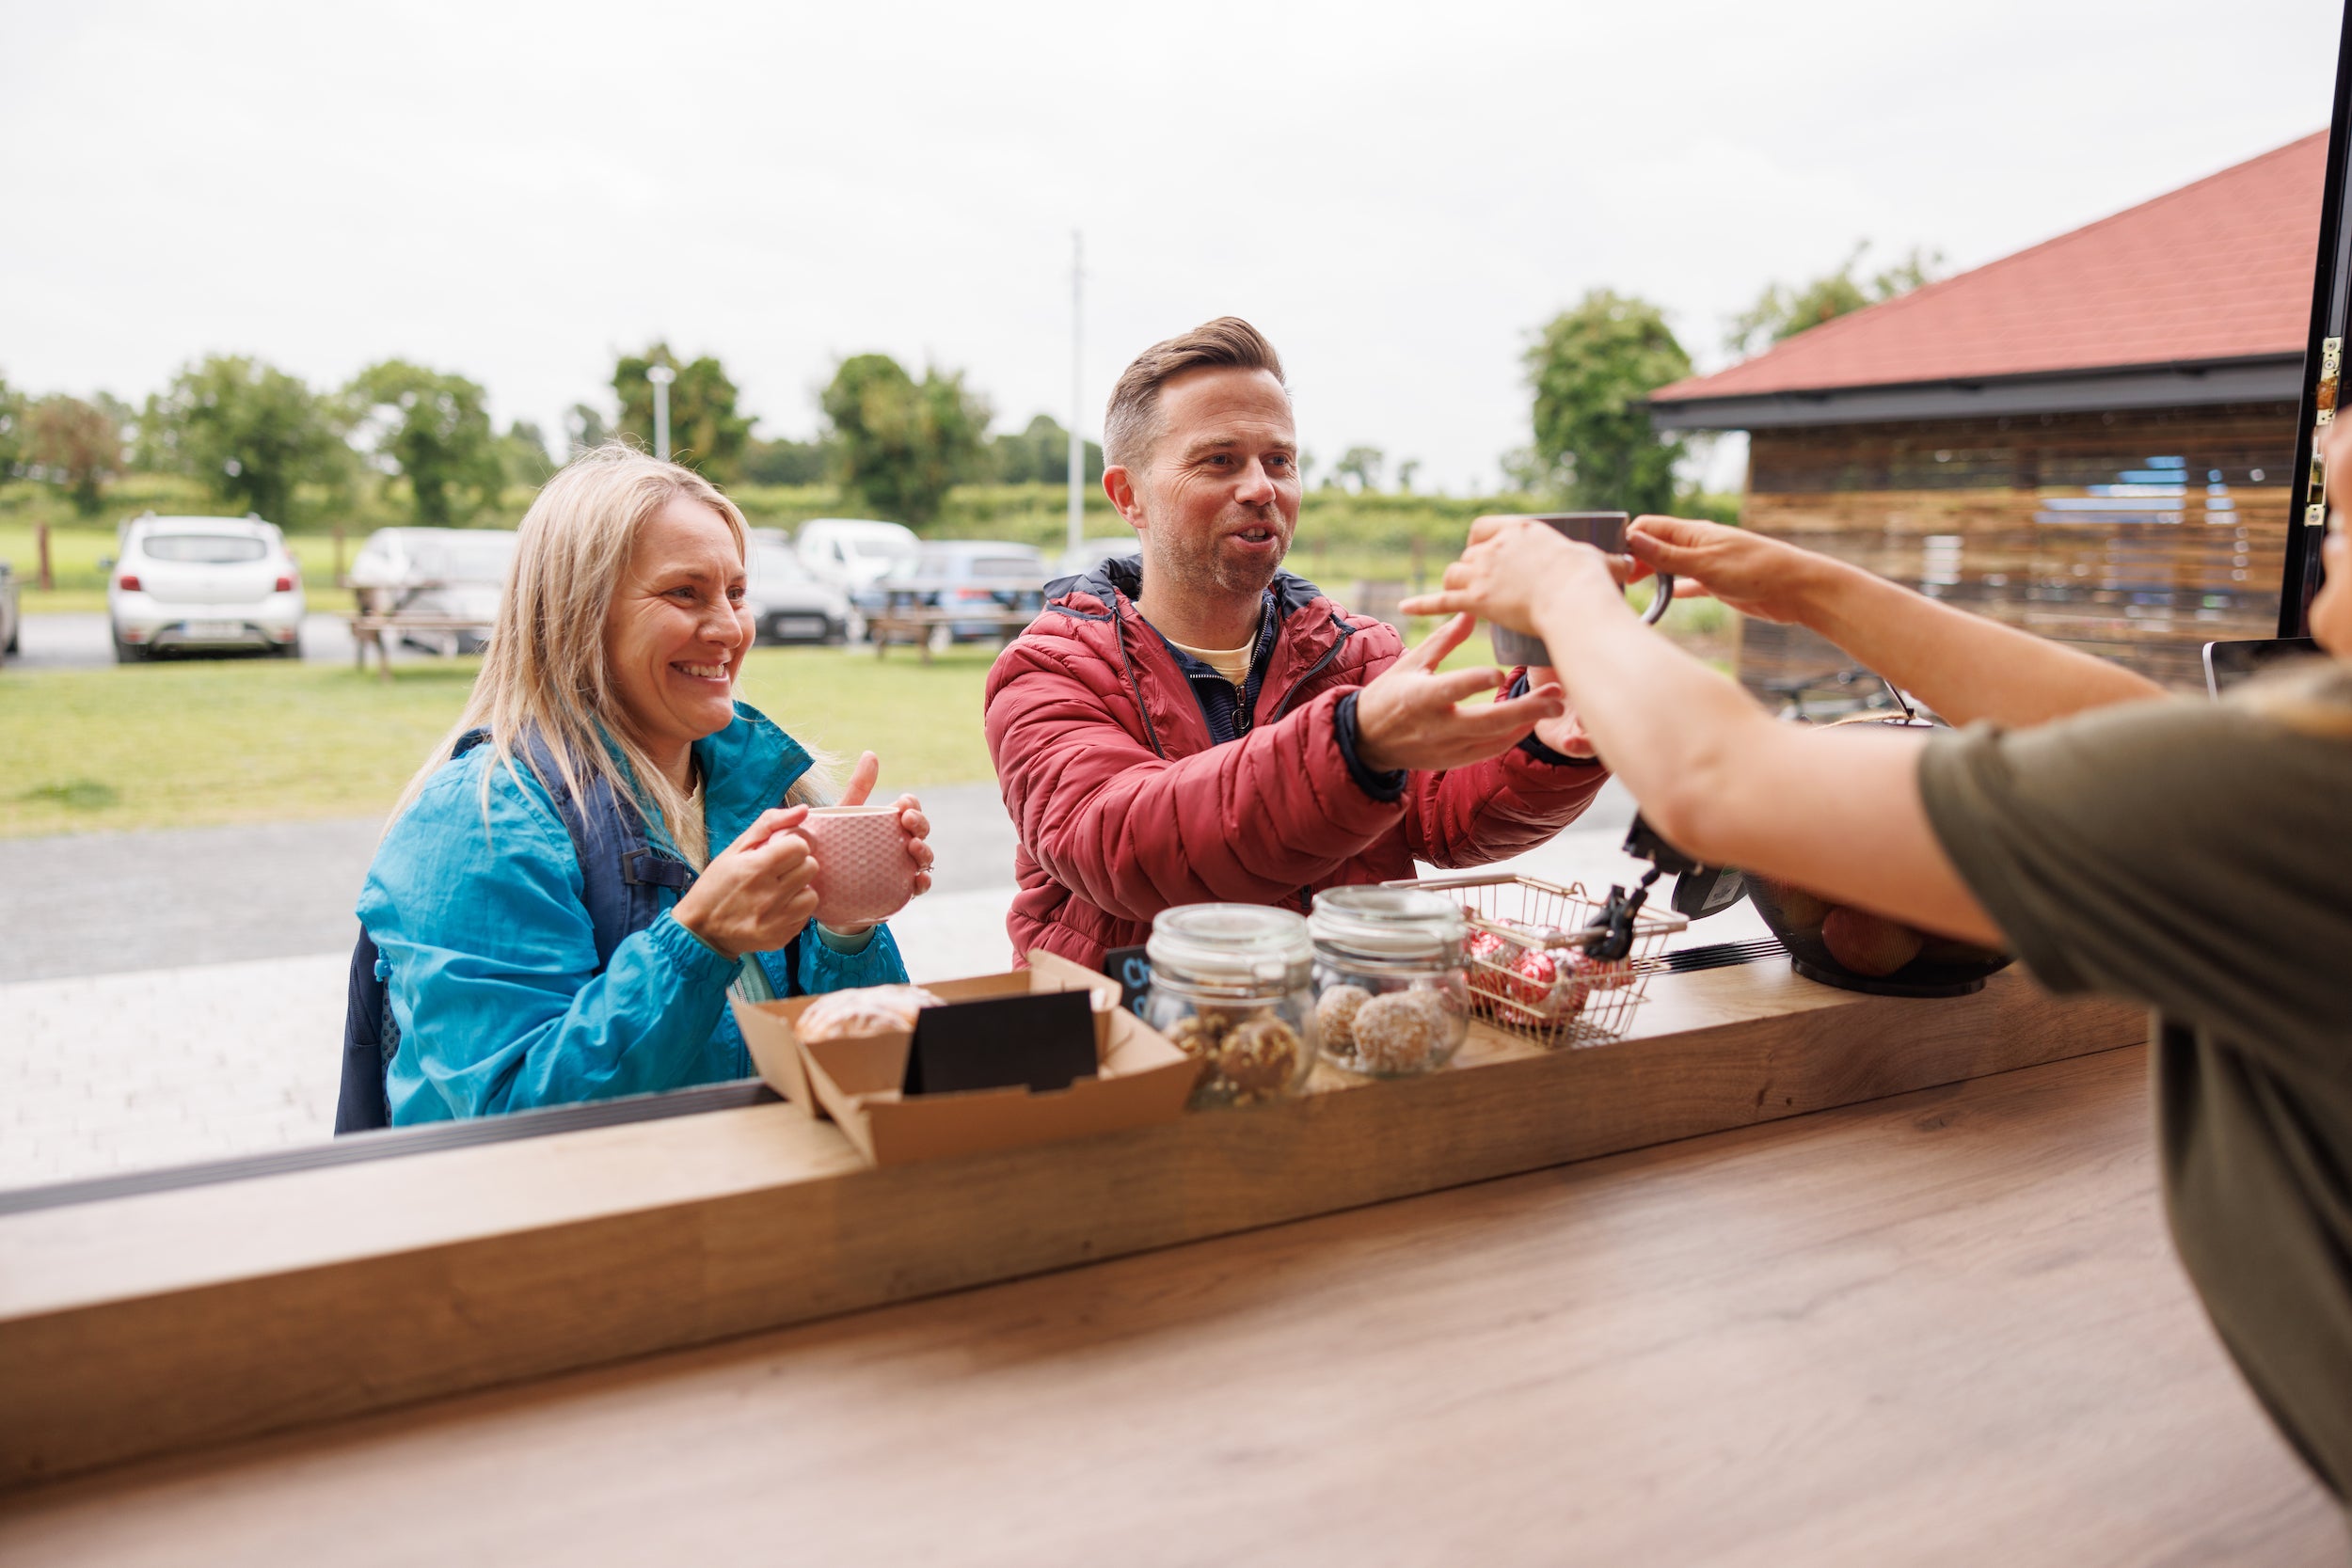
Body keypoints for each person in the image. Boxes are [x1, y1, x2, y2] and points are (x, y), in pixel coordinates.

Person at [1402, 431, 2352, 1505]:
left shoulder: (2312, 790)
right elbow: (2133, 733)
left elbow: (1719, 782)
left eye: (2349, 521)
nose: (2322, 560)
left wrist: (1571, 600)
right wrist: (1807, 587)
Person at [984, 317, 1611, 973]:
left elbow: (1447, 812)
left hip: (1341, 1040)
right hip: (1141, 1050)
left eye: (1279, 460)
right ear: (1127, 495)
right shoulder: (1048, 671)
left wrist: (1547, 736)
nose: (1261, 487)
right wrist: (1353, 742)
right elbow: (1125, 847)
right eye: (1220, 459)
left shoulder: (1360, 652)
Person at [358, 446, 935, 1124]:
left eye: (736, 592)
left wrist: (846, 928)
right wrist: (699, 942)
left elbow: (872, 1072)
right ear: (577, 613)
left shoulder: (773, 786)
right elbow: (512, 1117)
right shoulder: (475, 820)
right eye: (684, 593)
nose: (729, 627)